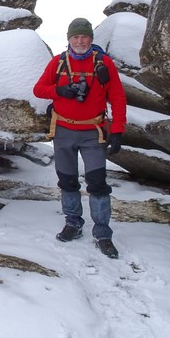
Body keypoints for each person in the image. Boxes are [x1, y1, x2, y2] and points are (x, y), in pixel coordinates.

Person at [33, 18, 127, 259]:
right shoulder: (59, 63)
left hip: (92, 131)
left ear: (91, 39)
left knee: (97, 183)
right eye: (76, 37)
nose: (80, 41)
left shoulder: (103, 63)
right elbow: (39, 89)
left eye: (84, 37)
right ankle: (73, 223)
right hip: (63, 131)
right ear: (69, 39)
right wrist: (60, 91)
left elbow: (117, 97)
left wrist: (117, 130)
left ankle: (103, 233)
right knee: (67, 180)